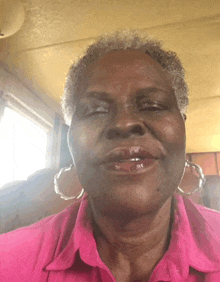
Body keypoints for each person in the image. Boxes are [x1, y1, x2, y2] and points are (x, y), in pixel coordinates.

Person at [1, 30, 220, 282]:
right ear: (70, 139)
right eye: (95, 111)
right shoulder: (7, 263)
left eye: (153, 106)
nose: (124, 123)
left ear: (182, 128)